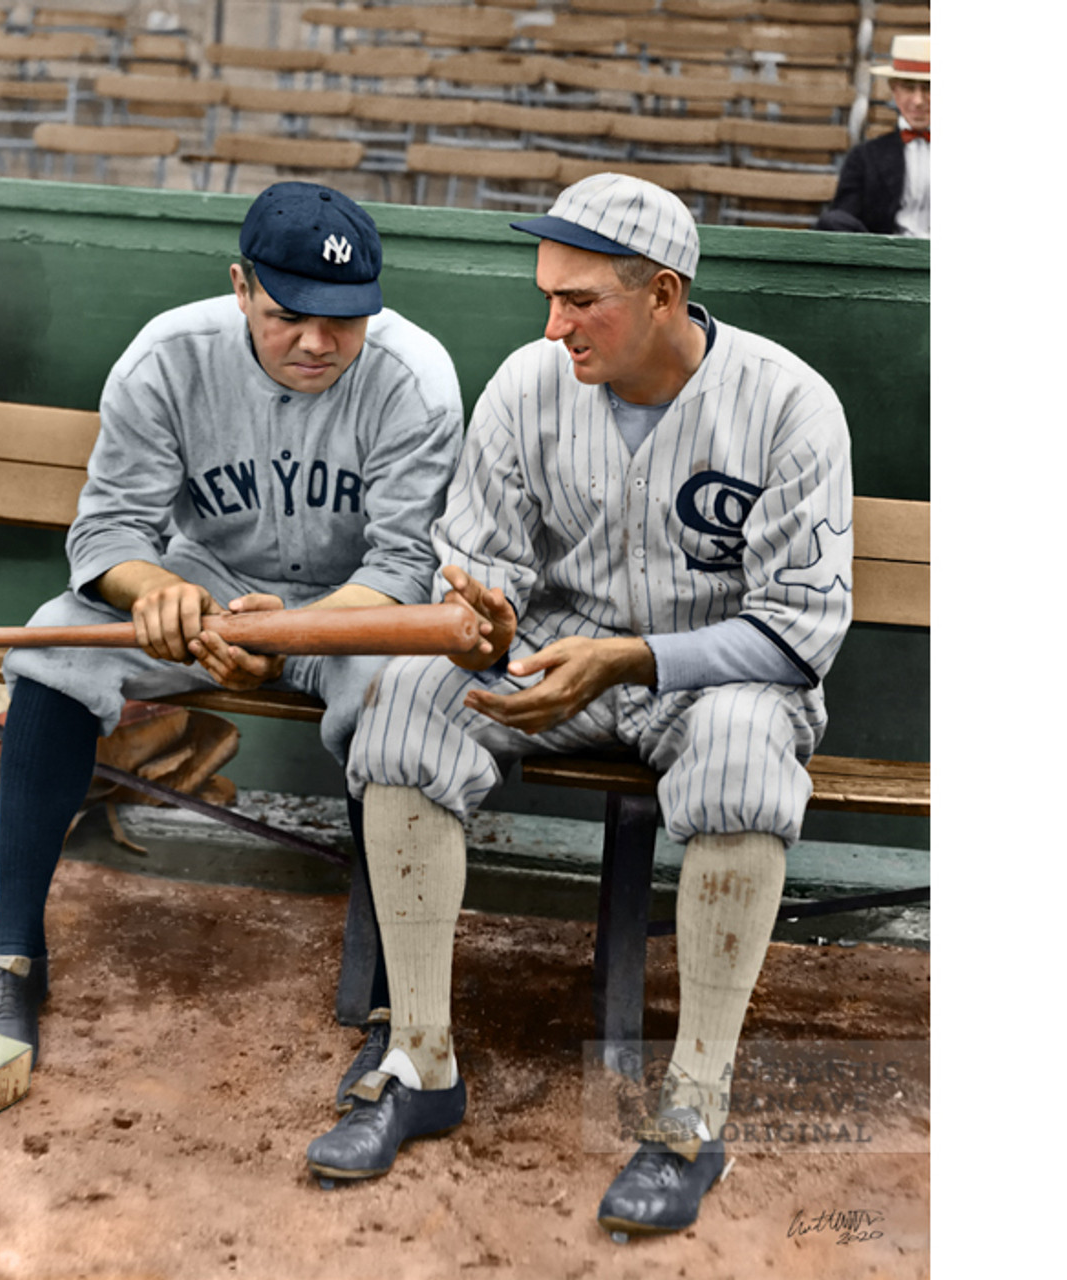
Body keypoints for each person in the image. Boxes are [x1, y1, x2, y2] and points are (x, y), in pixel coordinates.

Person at [304, 172, 854, 1239]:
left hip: (710, 677)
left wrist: (635, 657)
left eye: (580, 300)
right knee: (407, 704)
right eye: (546, 295)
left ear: (661, 292)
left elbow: (797, 629)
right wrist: (483, 617)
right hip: (553, 663)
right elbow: (478, 567)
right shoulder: (527, 382)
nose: (552, 323)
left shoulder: (787, 402)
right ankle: (417, 1058)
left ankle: (692, 1104)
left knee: (745, 753)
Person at [0, 182, 464, 1092]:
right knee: (53, 641)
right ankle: (12, 958)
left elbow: (403, 568)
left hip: (353, 610)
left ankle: (395, 1003)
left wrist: (292, 633)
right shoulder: (168, 356)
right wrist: (154, 592)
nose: (318, 342)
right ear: (241, 287)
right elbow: (107, 531)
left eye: (344, 320)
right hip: (209, 588)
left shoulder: (414, 378)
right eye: (289, 315)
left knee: (401, 701)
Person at [816, 34, 930, 236]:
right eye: (909, 88)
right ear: (894, 90)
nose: (918, 101)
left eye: (929, 88)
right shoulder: (866, 157)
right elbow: (841, 218)